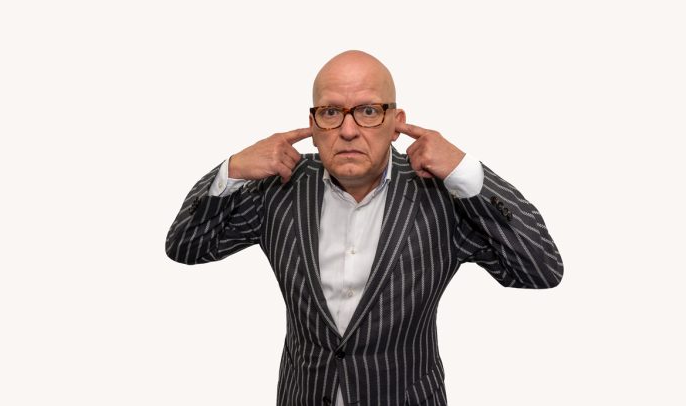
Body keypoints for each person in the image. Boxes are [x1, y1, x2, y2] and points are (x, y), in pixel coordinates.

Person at [165, 50, 563, 406]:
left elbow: (540, 270)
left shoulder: (441, 195)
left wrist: (465, 171)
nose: (349, 130)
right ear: (314, 123)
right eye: (331, 112)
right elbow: (187, 247)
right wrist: (231, 170)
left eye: (369, 111)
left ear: (396, 122)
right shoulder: (279, 190)